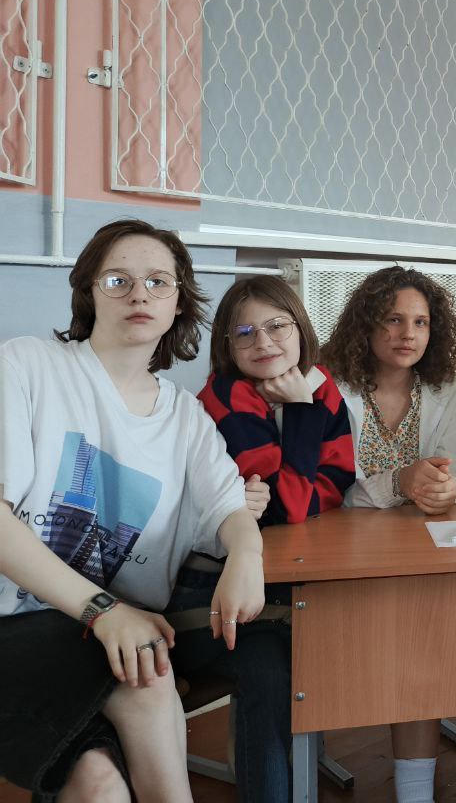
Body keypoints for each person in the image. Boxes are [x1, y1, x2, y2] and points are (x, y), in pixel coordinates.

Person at [0, 218, 265, 803]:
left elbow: (229, 507)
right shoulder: (27, 366)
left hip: (106, 641)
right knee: (147, 670)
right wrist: (104, 610)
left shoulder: (186, 417)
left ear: (178, 303)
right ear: (89, 292)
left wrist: (247, 552)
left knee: (100, 784)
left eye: (158, 282)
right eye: (118, 280)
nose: (139, 294)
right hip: (17, 627)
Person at [171, 277, 355, 802]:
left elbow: (335, 484)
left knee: (348, 625)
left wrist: (291, 486)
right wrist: (300, 411)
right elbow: (293, 506)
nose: (263, 342)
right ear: (227, 346)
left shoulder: (324, 387)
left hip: (278, 582)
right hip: (205, 597)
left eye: (277, 326)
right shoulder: (223, 398)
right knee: (276, 664)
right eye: (244, 332)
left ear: (301, 329)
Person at [321, 265, 456, 802]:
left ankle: (414, 789)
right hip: (337, 556)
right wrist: (398, 483)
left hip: (421, 556)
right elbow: (323, 489)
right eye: (392, 320)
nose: (408, 334)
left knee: (420, 644)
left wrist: (448, 489)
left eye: (421, 322)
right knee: (408, 644)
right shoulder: (328, 386)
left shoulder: (451, 390)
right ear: (365, 325)